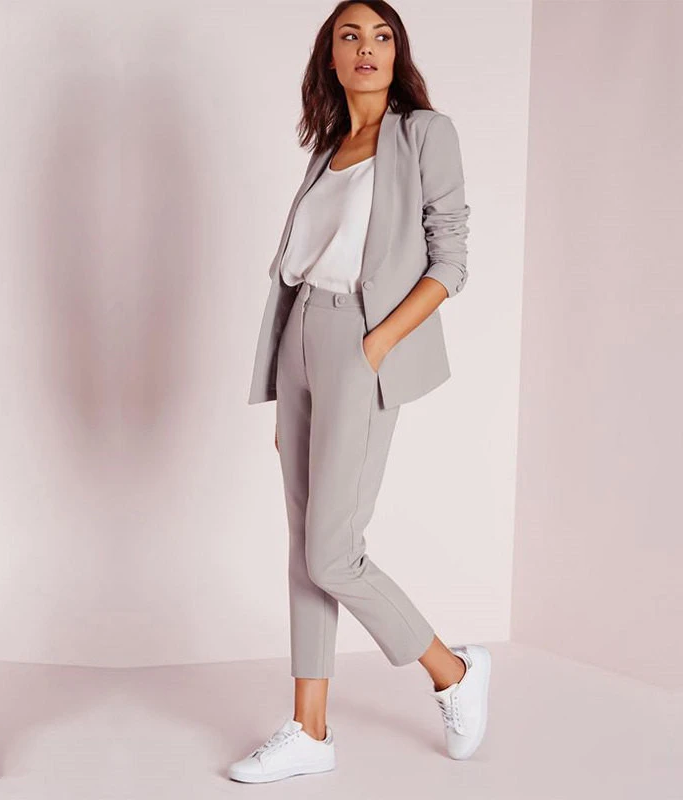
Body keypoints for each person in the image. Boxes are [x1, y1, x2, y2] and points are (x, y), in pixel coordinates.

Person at [230, 1, 490, 783]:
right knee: (305, 547)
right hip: (300, 343)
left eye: (381, 36)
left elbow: (451, 259)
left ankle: (453, 672)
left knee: (333, 554)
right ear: (332, 58)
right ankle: (309, 732)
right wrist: (287, 379)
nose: (367, 48)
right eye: (350, 36)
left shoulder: (424, 134)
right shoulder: (328, 149)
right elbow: (298, 267)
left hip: (362, 342)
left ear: (396, 54)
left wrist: (376, 345)